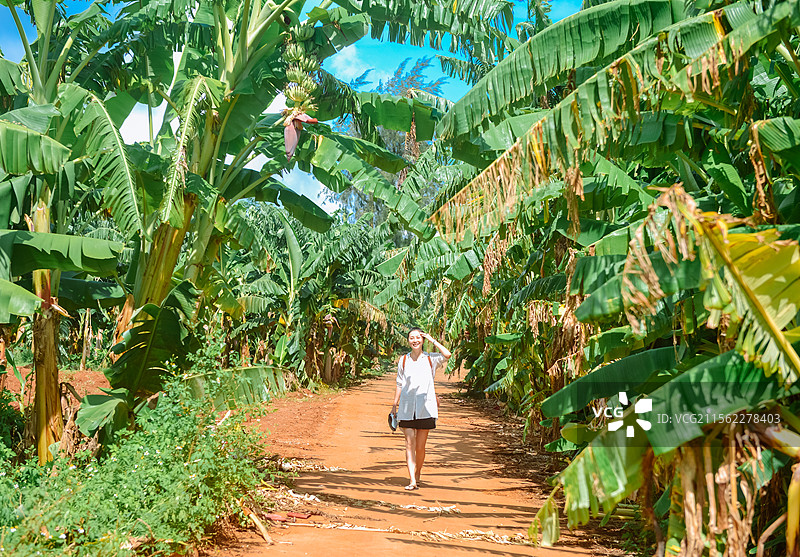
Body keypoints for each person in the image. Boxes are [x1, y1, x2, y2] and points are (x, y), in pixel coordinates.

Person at [391, 327, 451, 490]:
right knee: (409, 443)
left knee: (420, 446)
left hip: (426, 407)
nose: (415, 340)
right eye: (412, 337)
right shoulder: (403, 360)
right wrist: (394, 405)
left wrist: (432, 340)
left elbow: (447, 355)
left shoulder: (431, 359)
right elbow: (399, 383)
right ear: (408, 340)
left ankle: (417, 473)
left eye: (418, 337)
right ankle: (412, 480)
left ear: (422, 340)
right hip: (407, 407)